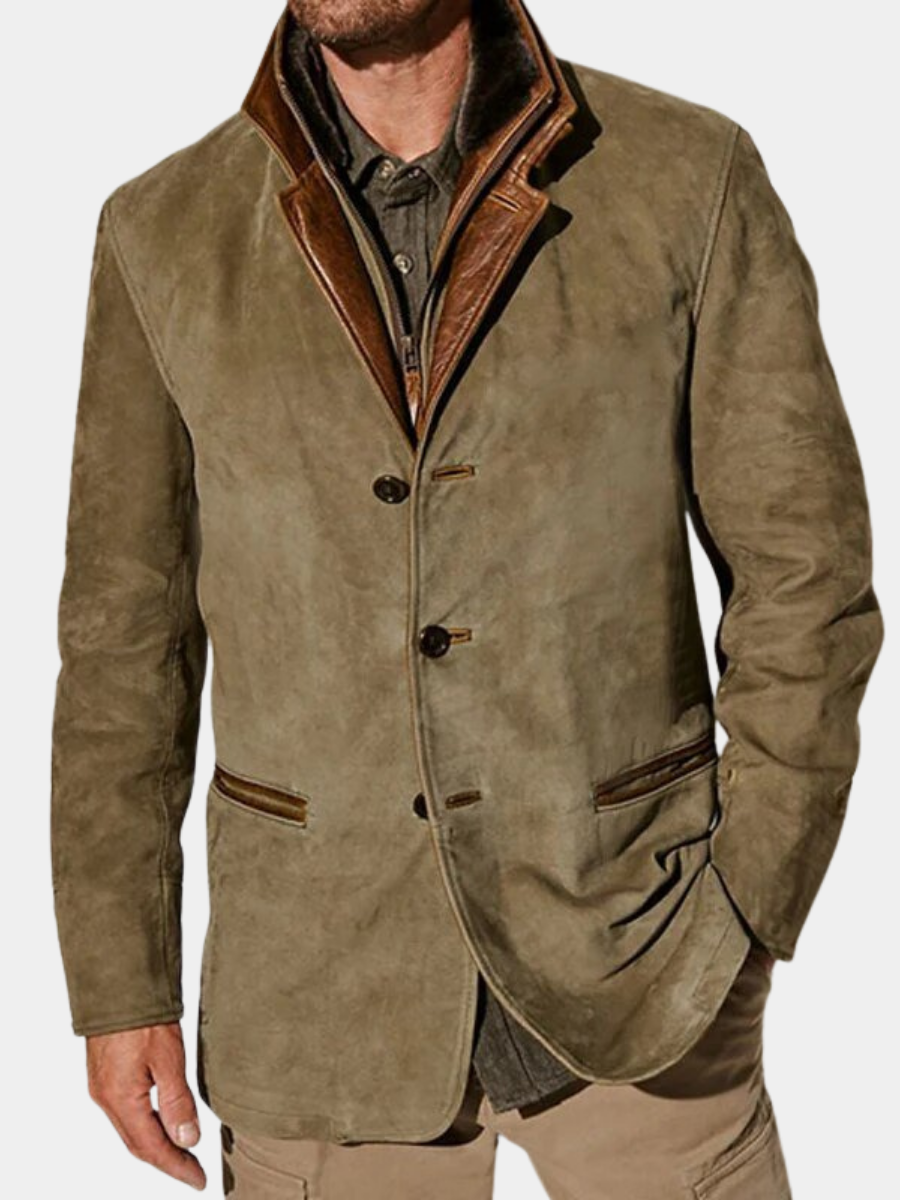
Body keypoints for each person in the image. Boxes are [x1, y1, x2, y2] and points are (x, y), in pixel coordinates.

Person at [50, 0, 884, 1195]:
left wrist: (749, 901)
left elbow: (806, 576)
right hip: (319, 996)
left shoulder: (686, 177)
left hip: (641, 965)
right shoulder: (161, 231)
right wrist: (119, 982)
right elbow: (123, 644)